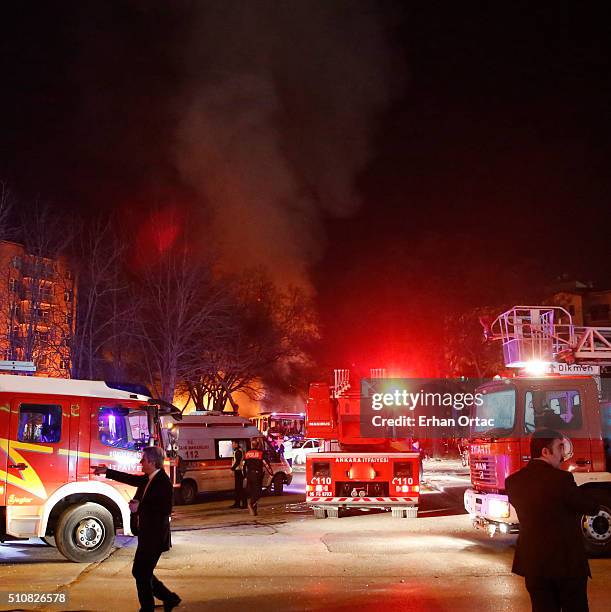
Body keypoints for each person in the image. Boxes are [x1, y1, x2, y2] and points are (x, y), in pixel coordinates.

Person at [505, 429, 600, 612]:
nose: (563, 454)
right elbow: (590, 507)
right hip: (566, 564)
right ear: (545, 452)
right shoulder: (562, 479)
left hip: (533, 564)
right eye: (560, 447)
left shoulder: (513, 482)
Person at [93, 446, 181, 612]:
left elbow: (165, 510)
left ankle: (148, 608)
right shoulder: (149, 479)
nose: (141, 462)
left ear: (152, 462)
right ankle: (169, 598)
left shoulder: (163, 482)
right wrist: (107, 471)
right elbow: (130, 479)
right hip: (146, 535)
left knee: (141, 572)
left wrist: (139, 508)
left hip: (155, 537)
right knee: (142, 572)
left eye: (143, 459)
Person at [243, 438, 272, 516]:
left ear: (252, 445)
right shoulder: (260, 453)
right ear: (258, 445)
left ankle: (254, 510)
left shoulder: (247, 453)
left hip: (249, 475)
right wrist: (271, 473)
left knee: (252, 492)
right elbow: (266, 464)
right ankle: (250, 504)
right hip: (257, 475)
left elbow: (243, 465)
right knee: (258, 492)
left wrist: (245, 475)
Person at [229, 440, 246, 509]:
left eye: (233, 444)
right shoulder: (236, 451)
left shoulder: (238, 451)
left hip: (239, 471)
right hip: (237, 471)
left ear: (236, 444)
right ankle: (237, 503)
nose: (232, 445)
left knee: (240, 489)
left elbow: (238, 461)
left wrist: (232, 469)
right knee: (237, 489)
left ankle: (244, 504)